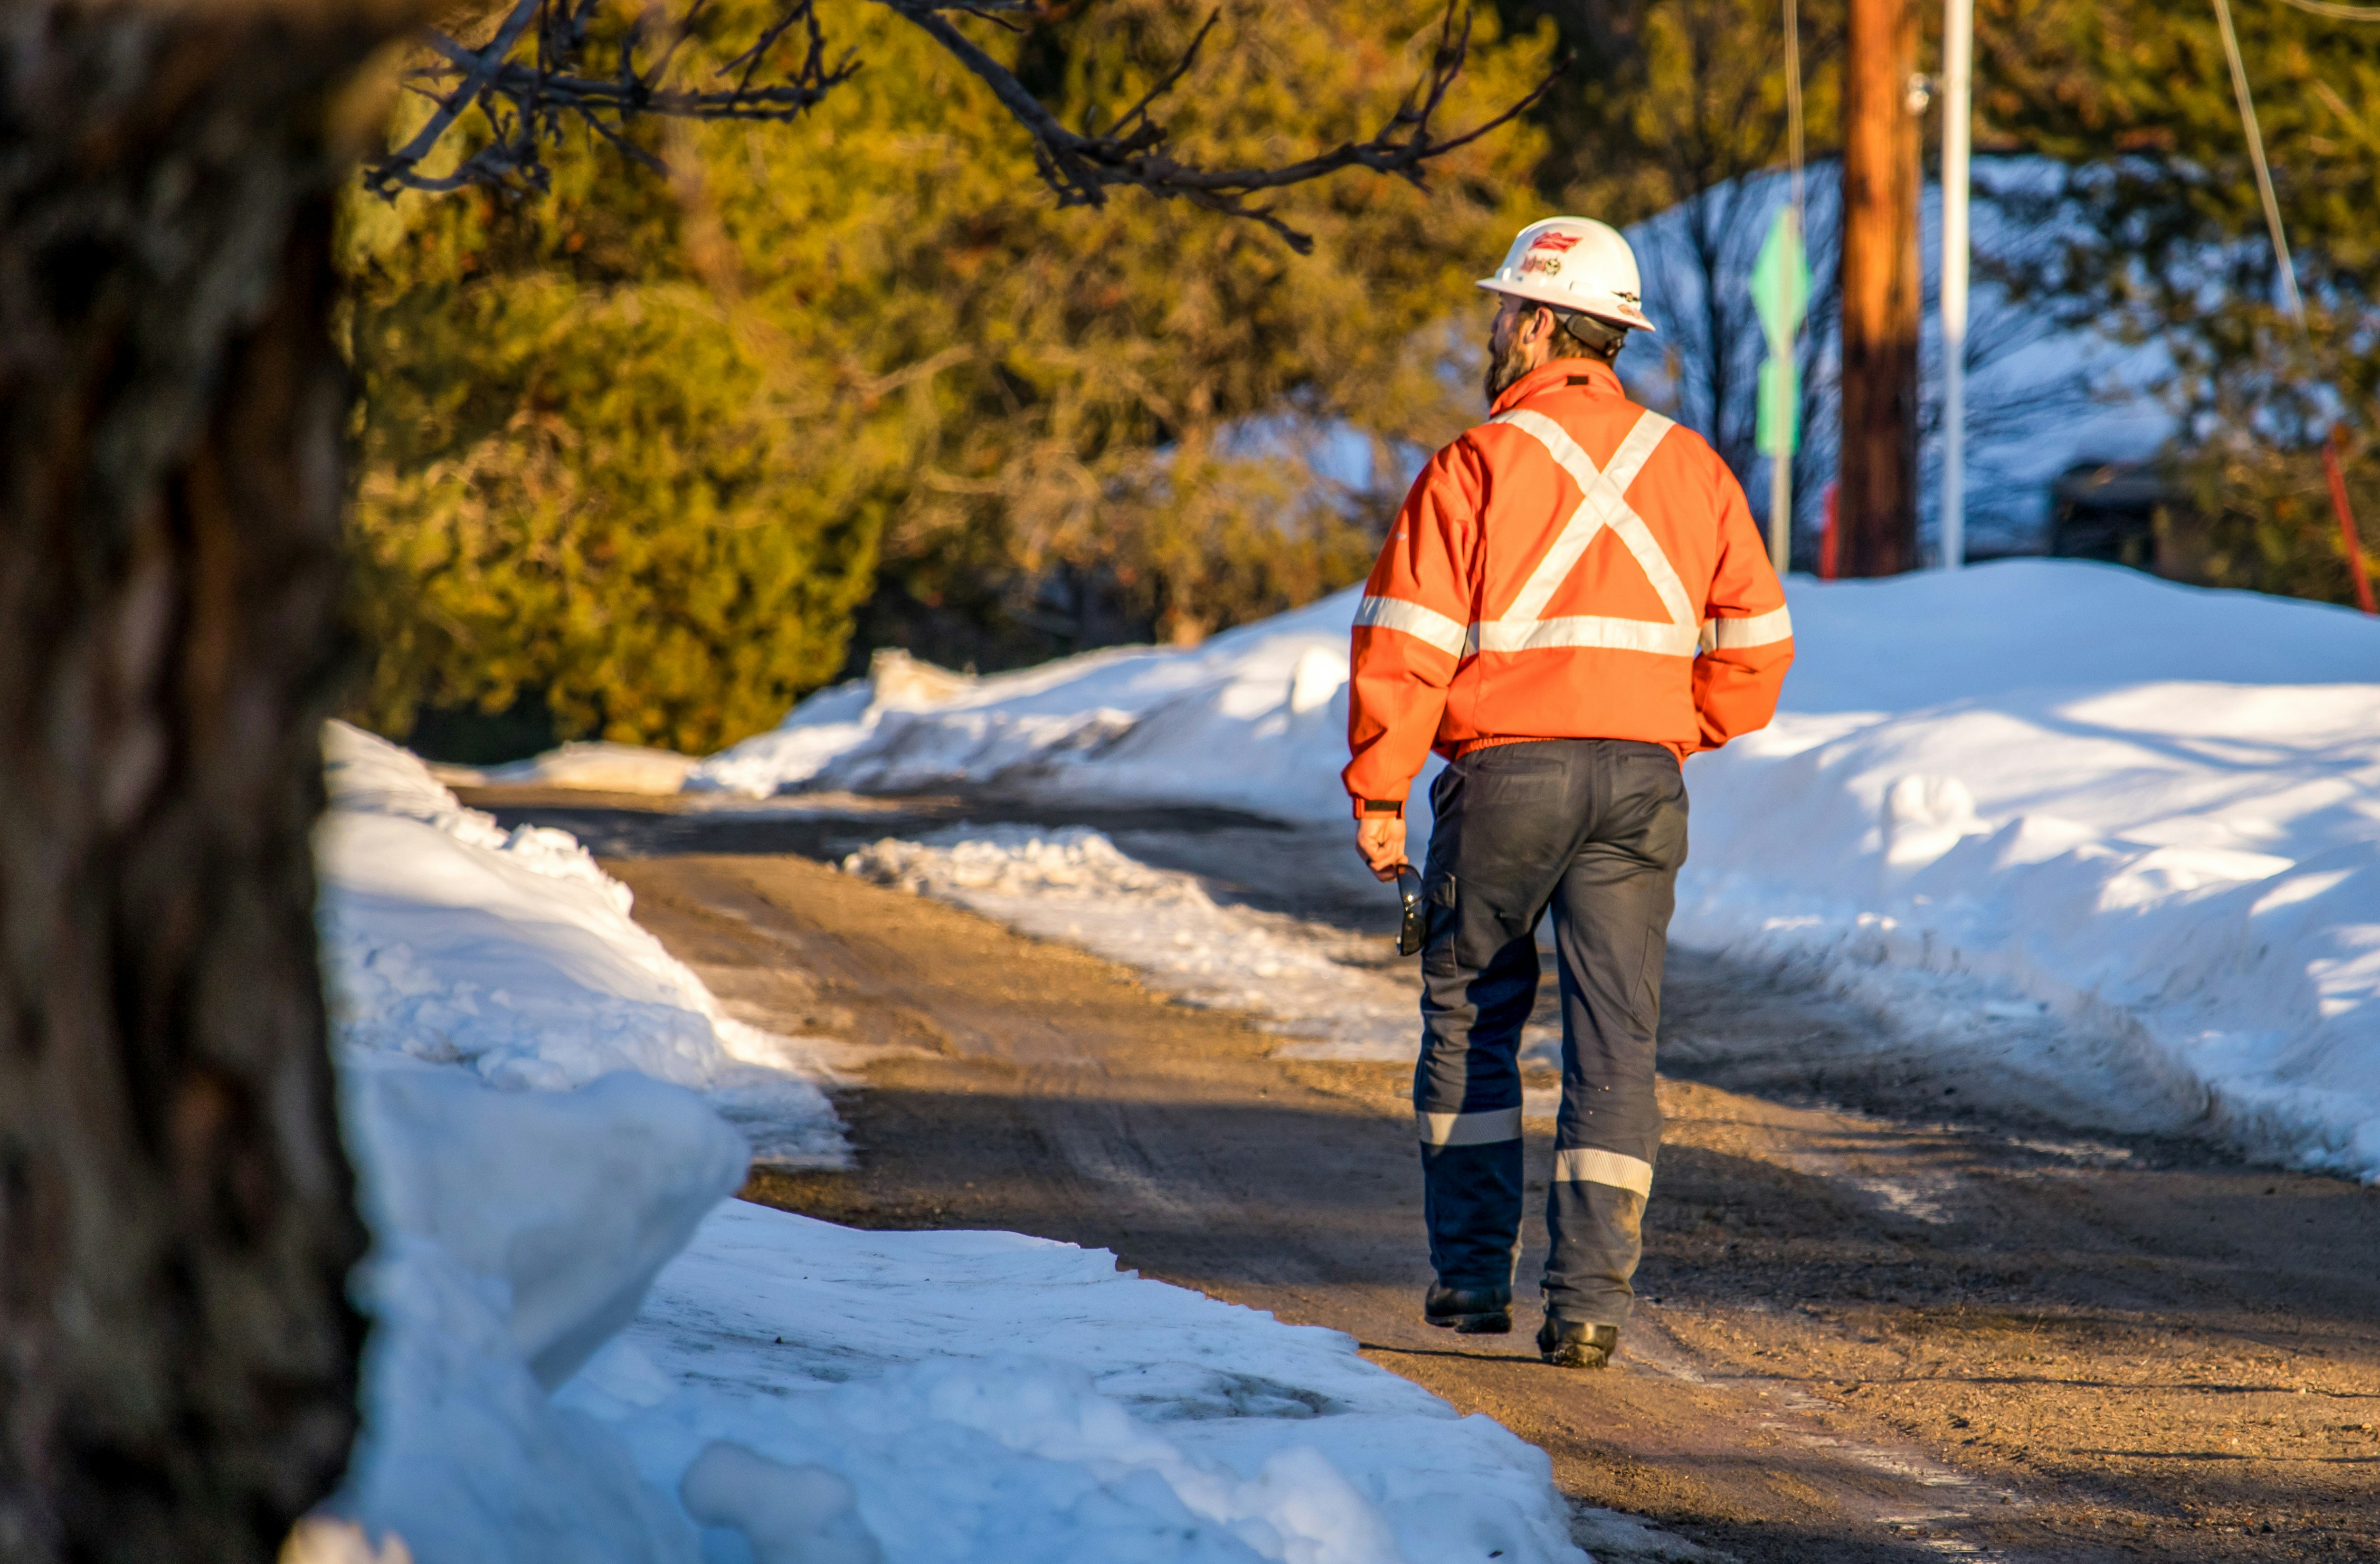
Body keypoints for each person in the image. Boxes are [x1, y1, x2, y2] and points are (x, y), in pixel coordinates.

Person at [1344, 216, 1794, 1369]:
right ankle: (1589, 1304)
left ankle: (1469, 1277)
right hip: (1640, 786)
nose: (1491, 329)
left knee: (1472, 1017)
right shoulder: (1691, 467)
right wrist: (1670, 732)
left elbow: (1404, 646)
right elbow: (1756, 645)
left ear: (1539, 323)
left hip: (1502, 779)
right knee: (1614, 1045)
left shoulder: (1474, 466)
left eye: (1503, 312)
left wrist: (1381, 791)